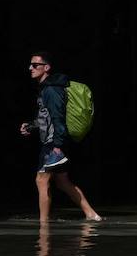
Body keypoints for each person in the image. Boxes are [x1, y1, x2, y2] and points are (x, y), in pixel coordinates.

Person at [19, 52, 102, 222]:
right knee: (62, 182)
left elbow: (57, 117)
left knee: (41, 181)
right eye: (30, 65)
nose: (30, 68)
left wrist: (57, 145)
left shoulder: (51, 90)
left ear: (46, 68)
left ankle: (43, 223)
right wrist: (31, 126)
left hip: (53, 143)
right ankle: (91, 214)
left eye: (35, 65)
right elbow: (46, 116)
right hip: (54, 141)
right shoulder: (46, 89)